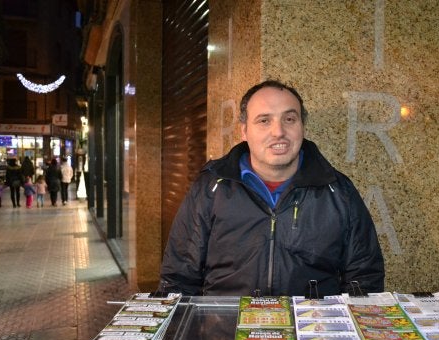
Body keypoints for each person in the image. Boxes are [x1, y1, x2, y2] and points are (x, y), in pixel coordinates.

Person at [160, 80, 384, 297]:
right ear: (244, 131)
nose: (278, 131)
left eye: (289, 119)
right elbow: (179, 277)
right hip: (227, 327)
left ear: (302, 127)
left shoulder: (338, 191)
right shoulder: (212, 188)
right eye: (264, 121)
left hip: (310, 330)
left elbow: (363, 279)